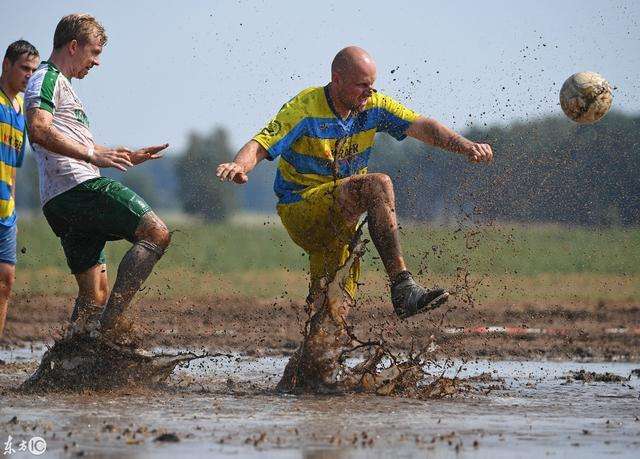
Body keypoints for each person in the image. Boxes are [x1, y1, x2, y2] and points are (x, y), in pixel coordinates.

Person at [217, 46, 493, 319]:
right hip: (303, 209)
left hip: (341, 225)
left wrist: (466, 146)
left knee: (328, 330)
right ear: (337, 80)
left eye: (372, 85)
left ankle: (307, 360)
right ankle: (403, 287)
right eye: (362, 85)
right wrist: (240, 166)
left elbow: (421, 126)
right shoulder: (305, 107)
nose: (369, 92)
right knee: (377, 184)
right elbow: (262, 143)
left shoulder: (373, 105)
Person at [24, 14, 170, 341]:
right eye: (95, 52)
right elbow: (39, 129)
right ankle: (111, 329)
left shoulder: (62, 86)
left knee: (93, 298)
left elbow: (68, 137)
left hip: (63, 199)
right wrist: (93, 156)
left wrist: (122, 155)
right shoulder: (46, 78)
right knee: (156, 232)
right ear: (73, 46)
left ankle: (69, 366)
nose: (97, 62)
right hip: (78, 188)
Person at [0, 40, 40, 336]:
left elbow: (12, 169)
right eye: (24, 68)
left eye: (34, 70)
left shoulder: (20, 111)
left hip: (5, 212)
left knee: (6, 279)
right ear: (6, 65)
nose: (30, 75)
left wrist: (13, 212)